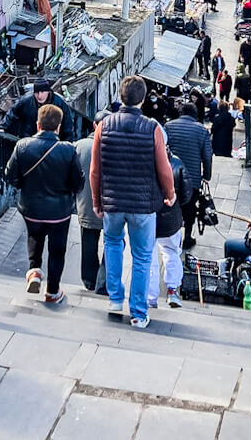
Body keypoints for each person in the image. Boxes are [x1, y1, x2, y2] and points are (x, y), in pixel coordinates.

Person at [91, 75, 176, 329]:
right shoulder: (152, 128)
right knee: (142, 256)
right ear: (143, 99)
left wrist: (96, 200)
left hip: (113, 202)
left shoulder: (104, 126)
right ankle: (138, 312)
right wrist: (169, 193)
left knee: (112, 245)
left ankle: (115, 300)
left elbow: (95, 169)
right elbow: (164, 168)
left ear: (121, 96)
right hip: (142, 204)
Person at [4, 104, 85, 305]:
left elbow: (10, 176)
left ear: (38, 125)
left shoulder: (22, 146)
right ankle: (53, 291)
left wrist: (24, 186)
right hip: (59, 211)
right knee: (57, 250)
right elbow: (78, 183)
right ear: (58, 127)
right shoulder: (68, 150)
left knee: (34, 236)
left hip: (30, 208)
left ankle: (34, 271)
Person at [165, 98, 213, 251]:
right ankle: (187, 237)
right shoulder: (202, 130)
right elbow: (207, 156)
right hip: (192, 177)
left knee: (172, 205)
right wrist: (207, 175)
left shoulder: (169, 126)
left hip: (171, 175)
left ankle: (171, 236)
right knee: (190, 207)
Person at [148, 141, 189, 309]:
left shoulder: (145, 161)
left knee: (149, 257)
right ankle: (172, 290)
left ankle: (151, 297)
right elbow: (186, 194)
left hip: (149, 217)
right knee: (172, 252)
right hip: (171, 218)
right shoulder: (177, 163)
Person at [74, 112, 107, 293]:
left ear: (94, 125)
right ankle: (104, 280)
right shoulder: (116, 146)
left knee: (88, 241)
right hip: (111, 205)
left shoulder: (79, 146)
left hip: (86, 202)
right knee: (113, 242)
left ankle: (89, 279)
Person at [3, 78, 75, 143]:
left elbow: (68, 126)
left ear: (48, 91)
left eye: (42, 92)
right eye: (37, 92)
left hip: (53, 141)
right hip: (29, 139)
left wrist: (68, 142)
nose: (39, 96)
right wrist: (2, 127)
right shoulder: (26, 100)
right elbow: (12, 113)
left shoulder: (60, 103)